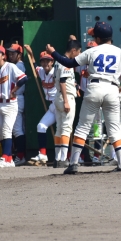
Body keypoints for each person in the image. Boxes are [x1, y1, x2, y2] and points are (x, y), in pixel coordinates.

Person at [46, 21, 121, 174]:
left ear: (98, 38)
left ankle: (73, 164)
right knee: (114, 129)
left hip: (95, 87)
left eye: (94, 36)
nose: (94, 38)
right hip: (112, 88)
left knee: (82, 127)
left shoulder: (92, 51)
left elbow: (68, 62)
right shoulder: (120, 52)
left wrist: (53, 53)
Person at [0, 44, 28, 168]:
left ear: (3, 56)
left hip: (10, 103)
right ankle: (9, 159)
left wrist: (14, 89)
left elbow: (24, 78)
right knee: (1, 132)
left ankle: (5, 157)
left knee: (7, 130)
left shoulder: (11, 66)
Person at [52, 39, 82, 168]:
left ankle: (57, 158)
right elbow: (62, 81)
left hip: (58, 96)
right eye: (78, 52)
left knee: (59, 127)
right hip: (66, 97)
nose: (78, 54)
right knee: (66, 128)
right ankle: (63, 158)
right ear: (73, 50)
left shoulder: (58, 61)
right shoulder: (65, 63)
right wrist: (66, 101)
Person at [28, 50, 56, 165]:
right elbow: (35, 66)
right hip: (52, 106)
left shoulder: (57, 71)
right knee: (41, 126)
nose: (45, 63)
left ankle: (69, 156)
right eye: (43, 61)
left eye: (48, 61)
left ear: (52, 62)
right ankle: (43, 154)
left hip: (60, 104)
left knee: (64, 130)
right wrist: (31, 54)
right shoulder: (41, 71)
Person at [6, 43, 27, 165]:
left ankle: (20, 156)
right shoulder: (14, 65)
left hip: (17, 98)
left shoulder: (18, 66)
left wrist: (12, 91)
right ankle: (19, 155)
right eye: (9, 53)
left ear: (19, 55)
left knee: (17, 130)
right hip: (15, 98)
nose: (10, 55)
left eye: (13, 53)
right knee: (16, 129)